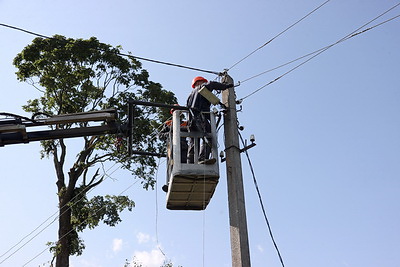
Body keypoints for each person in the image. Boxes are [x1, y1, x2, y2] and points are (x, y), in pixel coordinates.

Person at [186, 76, 232, 164]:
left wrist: (220, 104)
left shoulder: (190, 96)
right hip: (199, 118)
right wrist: (225, 86)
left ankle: (190, 162)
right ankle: (202, 158)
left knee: (193, 142)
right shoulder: (201, 88)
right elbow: (211, 84)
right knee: (209, 136)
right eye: (203, 82)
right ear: (198, 83)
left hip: (191, 122)